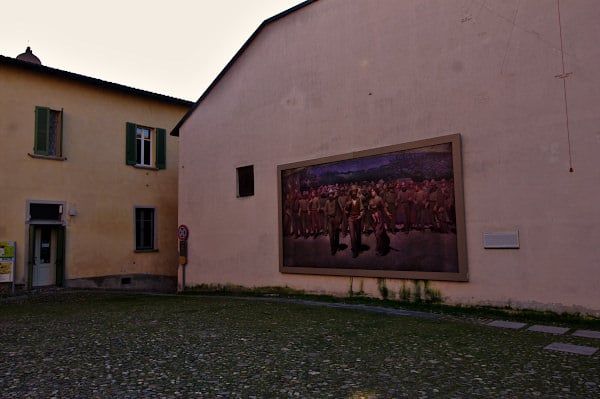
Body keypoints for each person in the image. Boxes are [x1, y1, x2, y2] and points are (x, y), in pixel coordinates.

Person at [369, 188, 391, 255]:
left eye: (372, 191)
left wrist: (387, 213)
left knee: (378, 233)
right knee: (378, 233)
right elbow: (369, 208)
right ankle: (385, 242)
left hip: (379, 217)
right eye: (371, 191)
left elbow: (384, 207)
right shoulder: (371, 200)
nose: (371, 192)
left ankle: (382, 250)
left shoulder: (379, 198)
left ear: (376, 192)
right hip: (373, 218)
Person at [345, 187, 365, 258]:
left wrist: (360, 215)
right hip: (350, 219)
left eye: (355, 192)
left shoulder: (359, 200)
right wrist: (347, 206)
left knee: (358, 234)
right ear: (351, 193)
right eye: (352, 193)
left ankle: (359, 247)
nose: (354, 194)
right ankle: (354, 251)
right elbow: (346, 211)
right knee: (352, 236)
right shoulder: (348, 200)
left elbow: (362, 209)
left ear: (356, 193)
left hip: (357, 218)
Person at [324, 190, 342, 255]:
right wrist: (327, 216)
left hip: (335, 219)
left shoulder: (336, 201)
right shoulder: (327, 202)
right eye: (329, 194)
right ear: (328, 195)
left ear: (333, 195)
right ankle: (332, 249)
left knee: (336, 234)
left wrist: (339, 219)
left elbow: (339, 210)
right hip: (329, 219)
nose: (330, 195)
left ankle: (337, 246)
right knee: (331, 235)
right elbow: (325, 211)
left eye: (332, 194)